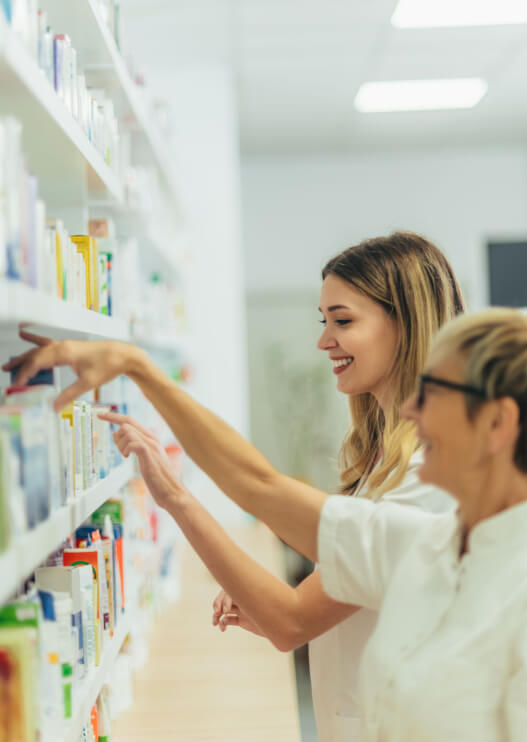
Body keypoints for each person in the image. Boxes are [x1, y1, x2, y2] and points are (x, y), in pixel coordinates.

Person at [5, 232, 463, 741]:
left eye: (344, 321)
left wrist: (140, 373)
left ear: (405, 323)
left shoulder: (435, 474)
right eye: (324, 321)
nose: (323, 340)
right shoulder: (386, 462)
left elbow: (287, 603)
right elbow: (296, 607)